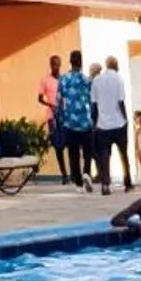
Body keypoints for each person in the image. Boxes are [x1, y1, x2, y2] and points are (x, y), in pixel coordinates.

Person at [53, 50, 95, 188]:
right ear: (81, 63)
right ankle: (87, 173)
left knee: (73, 154)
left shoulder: (63, 79)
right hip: (85, 122)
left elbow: (58, 101)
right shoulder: (86, 80)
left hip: (70, 122)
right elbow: (92, 100)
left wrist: (59, 118)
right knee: (87, 152)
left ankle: (78, 182)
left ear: (70, 62)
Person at [91, 55, 131, 194]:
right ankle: (128, 182)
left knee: (104, 156)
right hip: (119, 123)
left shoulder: (97, 80)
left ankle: (105, 185)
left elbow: (94, 104)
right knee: (123, 154)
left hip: (103, 125)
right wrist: (126, 119)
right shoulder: (119, 78)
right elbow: (121, 102)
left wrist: (95, 123)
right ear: (116, 65)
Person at [38, 54, 63, 147]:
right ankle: (60, 162)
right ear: (50, 65)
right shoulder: (45, 80)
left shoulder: (64, 79)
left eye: (57, 64)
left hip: (63, 114)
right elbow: (40, 98)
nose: (55, 67)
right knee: (55, 143)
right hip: (51, 116)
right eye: (53, 64)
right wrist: (50, 105)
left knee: (65, 141)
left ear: (60, 65)